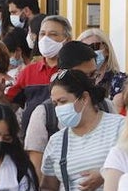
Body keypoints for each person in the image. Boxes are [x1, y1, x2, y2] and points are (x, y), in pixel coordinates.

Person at [39, 70, 124, 191]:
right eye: (55, 104)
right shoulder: (57, 141)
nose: (58, 109)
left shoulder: (120, 127)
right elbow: (48, 187)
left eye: (63, 102)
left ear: (84, 98)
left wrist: (105, 174)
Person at [25, 41, 100, 175]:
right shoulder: (44, 114)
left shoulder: (105, 106)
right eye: (82, 75)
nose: (89, 80)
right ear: (62, 73)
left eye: (93, 75)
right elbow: (37, 169)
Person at [79, 28, 128, 105]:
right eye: (84, 48)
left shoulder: (121, 80)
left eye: (94, 46)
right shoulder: (76, 80)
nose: (90, 52)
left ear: (107, 50)